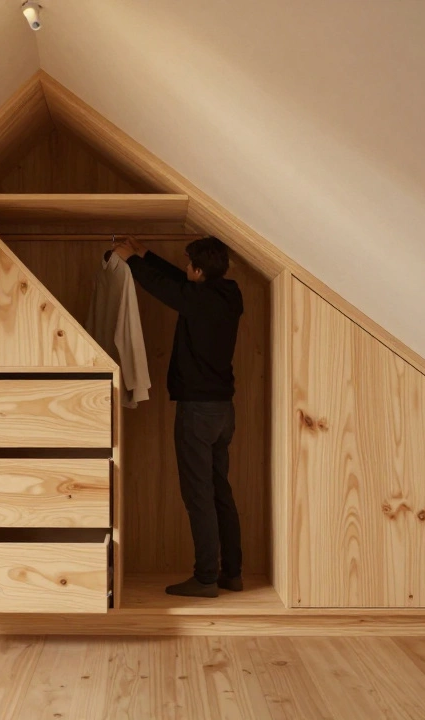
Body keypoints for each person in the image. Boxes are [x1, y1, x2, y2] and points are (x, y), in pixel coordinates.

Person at [113, 235, 244, 597]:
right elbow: (181, 282)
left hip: (197, 412)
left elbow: (166, 289)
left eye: (190, 265)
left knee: (198, 494)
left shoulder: (197, 300)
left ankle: (205, 578)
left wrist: (133, 262)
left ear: (200, 270)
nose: (187, 269)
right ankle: (231, 573)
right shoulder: (229, 293)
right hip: (222, 411)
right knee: (219, 490)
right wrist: (145, 254)